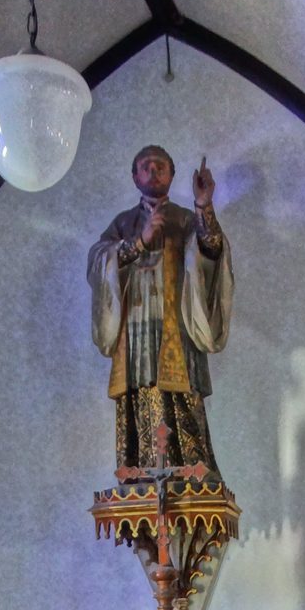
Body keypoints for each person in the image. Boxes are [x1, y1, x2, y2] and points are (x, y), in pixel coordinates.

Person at [88, 145, 233, 479]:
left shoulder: (185, 218)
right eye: (145, 167)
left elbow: (212, 249)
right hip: (135, 333)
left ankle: (192, 476)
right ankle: (139, 472)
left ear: (172, 174)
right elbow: (97, 263)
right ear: (134, 176)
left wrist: (204, 205)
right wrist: (137, 243)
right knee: (139, 398)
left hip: (177, 331)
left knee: (181, 400)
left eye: (160, 166)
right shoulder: (123, 223)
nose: (153, 172)